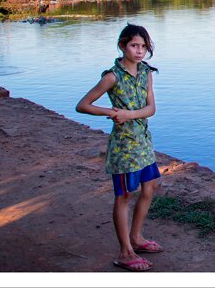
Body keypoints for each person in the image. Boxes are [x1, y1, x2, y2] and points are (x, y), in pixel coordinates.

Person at [76, 24, 163, 271]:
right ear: (122, 46)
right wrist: (112, 112)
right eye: (134, 45)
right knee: (124, 196)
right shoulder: (112, 76)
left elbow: (151, 109)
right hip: (124, 147)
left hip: (144, 143)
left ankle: (136, 238)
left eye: (144, 46)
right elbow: (83, 105)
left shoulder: (146, 72)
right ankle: (125, 253)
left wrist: (129, 114)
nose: (139, 51)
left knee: (150, 187)